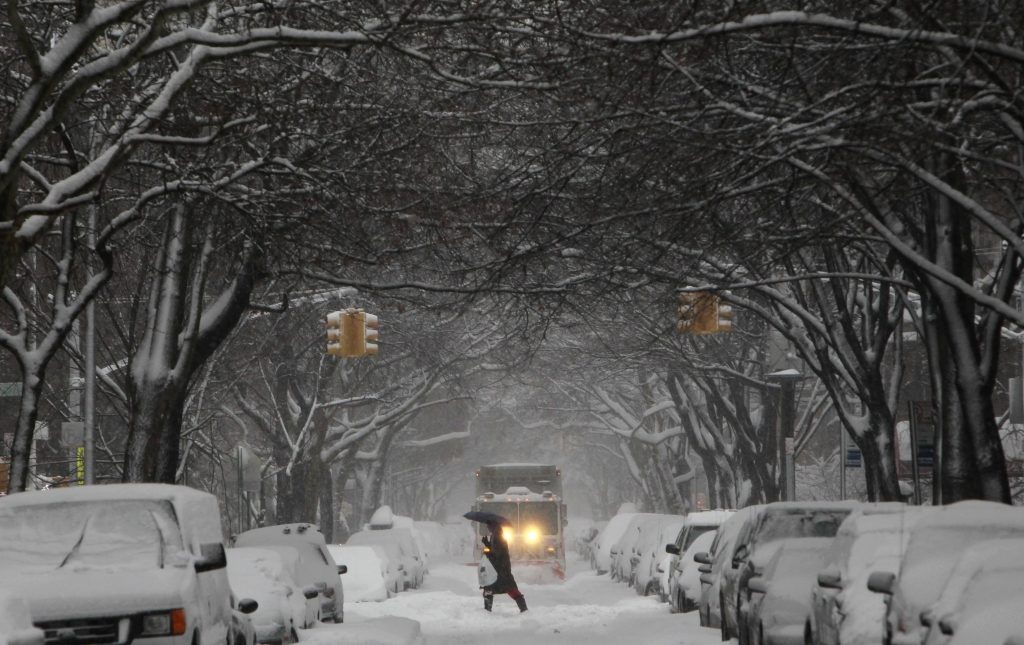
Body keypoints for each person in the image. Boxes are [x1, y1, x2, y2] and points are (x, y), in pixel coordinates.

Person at [481, 521, 527, 612]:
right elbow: (496, 551)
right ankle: (524, 610)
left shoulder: (497, 538)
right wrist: (487, 544)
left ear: (493, 527)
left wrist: (488, 552)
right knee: (511, 590)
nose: (488, 528)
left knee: (489, 590)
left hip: (500, 570)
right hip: (501, 570)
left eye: (489, 526)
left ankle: (487, 611)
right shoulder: (497, 536)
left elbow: (497, 556)